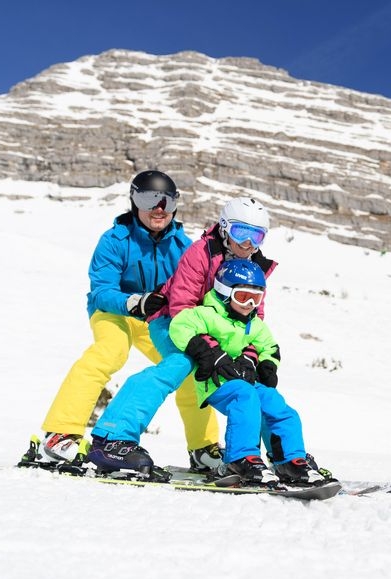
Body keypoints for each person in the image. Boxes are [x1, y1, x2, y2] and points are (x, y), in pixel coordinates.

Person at [31, 170, 219, 467]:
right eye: (149, 199)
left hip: (155, 318)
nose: (159, 209)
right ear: (134, 202)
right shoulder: (115, 240)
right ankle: (60, 435)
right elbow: (102, 290)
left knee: (188, 366)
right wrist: (133, 302)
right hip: (113, 312)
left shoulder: (183, 247)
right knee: (109, 353)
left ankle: (204, 448)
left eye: (167, 203)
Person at [91, 260, 326, 486]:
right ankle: (240, 459)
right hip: (214, 381)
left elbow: (269, 346)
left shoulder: (253, 323)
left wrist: (267, 365)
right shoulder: (206, 314)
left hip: (242, 378)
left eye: (256, 298)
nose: (250, 305)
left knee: (277, 404)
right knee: (245, 396)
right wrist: (204, 351)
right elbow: (180, 325)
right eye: (243, 297)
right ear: (225, 292)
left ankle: (290, 460)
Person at [86, 196, 277, 475]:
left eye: (256, 236)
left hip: (215, 329)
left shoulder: (254, 268)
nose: (248, 244)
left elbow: (253, 318)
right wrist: (208, 349)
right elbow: (181, 306)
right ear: (224, 228)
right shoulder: (200, 252)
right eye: (241, 233)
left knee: (253, 380)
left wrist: (250, 356)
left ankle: (278, 455)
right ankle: (113, 438)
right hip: (171, 320)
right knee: (180, 364)